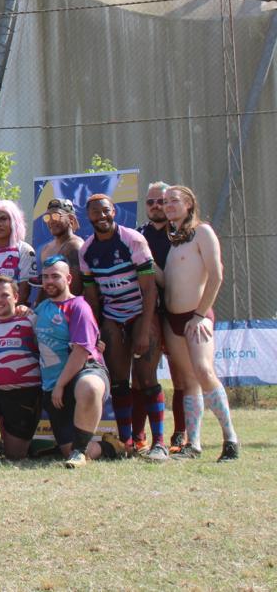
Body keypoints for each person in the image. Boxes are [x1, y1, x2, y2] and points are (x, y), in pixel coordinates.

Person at [79, 194, 163, 457]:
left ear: (113, 211)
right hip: (113, 317)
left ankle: (159, 442)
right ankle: (126, 442)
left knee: (146, 378)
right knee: (118, 381)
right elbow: (92, 298)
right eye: (95, 212)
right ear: (89, 216)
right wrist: (94, 333)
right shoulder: (86, 250)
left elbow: (149, 290)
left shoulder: (133, 240)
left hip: (140, 313)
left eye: (105, 211)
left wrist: (144, 329)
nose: (101, 216)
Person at [161, 185, 239, 461]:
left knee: (204, 371)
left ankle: (230, 439)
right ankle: (193, 444)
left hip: (197, 317)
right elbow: (168, 280)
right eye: (165, 202)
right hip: (173, 320)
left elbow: (217, 275)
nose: (168, 205)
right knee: (188, 381)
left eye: (174, 200)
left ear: (189, 204)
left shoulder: (202, 232)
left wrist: (199, 315)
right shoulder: (172, 241)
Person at [36, 257, 110, 467]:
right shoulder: (41, 308)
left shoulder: (79, 307)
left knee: (89, 386)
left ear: (68, 279)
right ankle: (108, 446)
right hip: (53, 385)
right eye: (45, 277)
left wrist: (60, 385)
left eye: (55, 276)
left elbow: (80, 352)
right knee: (66, 450)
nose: (49, 281)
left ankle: (80, 452)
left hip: (84, 371)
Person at [137, 181, 184, 452]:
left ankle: (180, 434)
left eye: (161, 201)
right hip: (149, 313)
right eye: (150, 202)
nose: (156, 206)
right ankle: (137, 436)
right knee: (142, 375)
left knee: (181, 376)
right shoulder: (137, 235)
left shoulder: (183, 233)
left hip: (178, 311)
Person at [0, 276, 41, 460]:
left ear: (16, 297)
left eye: (4, 295)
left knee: (14, 456)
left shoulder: (30, 320)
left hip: (23, 395)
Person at [38, 198, 85, 295]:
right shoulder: (46, 249)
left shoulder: (74, 246)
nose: (51, 221)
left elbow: (74, 291)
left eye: (56, 216)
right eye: (47, 217)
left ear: (70, 218)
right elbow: (45, 287)